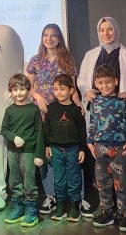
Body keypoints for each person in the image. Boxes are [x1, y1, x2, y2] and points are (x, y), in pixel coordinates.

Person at [78, 16, 126, 217]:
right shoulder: (90, 55)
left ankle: (125, 210)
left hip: (120, 122)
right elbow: (82, 80)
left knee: (122, 175)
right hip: (99, 120)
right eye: (102, 30)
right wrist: (86, 90)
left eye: (110, 29)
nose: (106, 33)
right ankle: (105, 207)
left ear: (117, 30)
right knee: (101, 174)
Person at [26, 23, 80, 214]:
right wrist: (39, 98)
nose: (49, 39)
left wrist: (78, 105)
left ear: (59, 38)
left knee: (69, 154)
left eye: (53, 35)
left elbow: (73, 88)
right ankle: (50, 196)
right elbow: (29, 87)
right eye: (45, 35)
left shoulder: (67, 60)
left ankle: (74, 198)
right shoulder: (35, 60)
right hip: (41, 111)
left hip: (63, 113)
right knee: (47, 152)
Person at [87, 65, 126, 232]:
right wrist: (90, 141)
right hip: (100, 147)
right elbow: (92, 122)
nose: (105, 86)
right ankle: (106, 211)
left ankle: (125, 214)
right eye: (100, 83)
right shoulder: (95, 101)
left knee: (122, 182)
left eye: (108, 82)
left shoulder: (124, 101)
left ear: (115, 81)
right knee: (102, 181)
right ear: (96, 83)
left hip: (119, 148)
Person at [2, 74, 45, 228]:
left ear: (28, 89)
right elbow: (4, 129)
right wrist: (13, 137)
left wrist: (39, 154)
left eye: (22, 89)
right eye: (15, 89)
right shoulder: (9, 110)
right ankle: (18, 208)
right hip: (12, 151)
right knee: (14, 180)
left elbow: (40, 132)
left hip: (29, 151)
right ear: (11, 91)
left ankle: (32, 212)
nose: (19, 93)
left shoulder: (34, 109)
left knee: (29, 181)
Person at [44, 74, 86, 223]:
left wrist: (82, 149)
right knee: (59, 179)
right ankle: (61, 205)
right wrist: (47, 145)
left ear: (71, 90)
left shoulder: (76, 109)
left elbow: (82, 131)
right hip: (56, 149)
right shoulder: (51, 108)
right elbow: (47, 129)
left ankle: (74, 206)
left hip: (73, 149)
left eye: (62, 89)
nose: (58, 92)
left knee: (74, 178)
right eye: (55, 89)